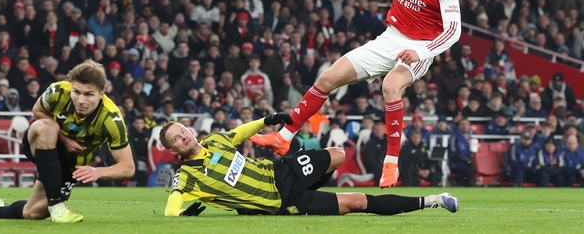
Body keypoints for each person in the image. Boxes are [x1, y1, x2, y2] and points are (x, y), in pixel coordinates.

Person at [252, 0, 461, 188]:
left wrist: (422, 51)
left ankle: (391, 163)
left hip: (419, 47)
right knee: (327, 78)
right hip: (390, 39)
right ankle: (284, 136)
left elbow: (453, 31)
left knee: (390, 85)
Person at [159, 113, 458, 217]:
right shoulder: (188, 176)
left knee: (338, 154)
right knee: (357, 202)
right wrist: (183, 215)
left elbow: (238, 133)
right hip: (284, 200)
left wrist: (266, 121)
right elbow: (171, 208)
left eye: (182, 130)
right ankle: (433, 201)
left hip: (281, 170)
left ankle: (311, 181)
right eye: (176, 138)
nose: (183, 136)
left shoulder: (213, 140)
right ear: (173, 150)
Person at [0, 60, 135, 223]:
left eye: (88, 94)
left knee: (33, 212)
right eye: (76, 92)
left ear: (101, 93)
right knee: (48, 127)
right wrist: (64, 139)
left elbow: (128, 167)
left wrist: (98, 172)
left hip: (69, 163)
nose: (80, 100)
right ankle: (56, 205)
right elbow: (37, 110)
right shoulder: (57, 91)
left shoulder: (111, 119)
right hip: (41, 143)